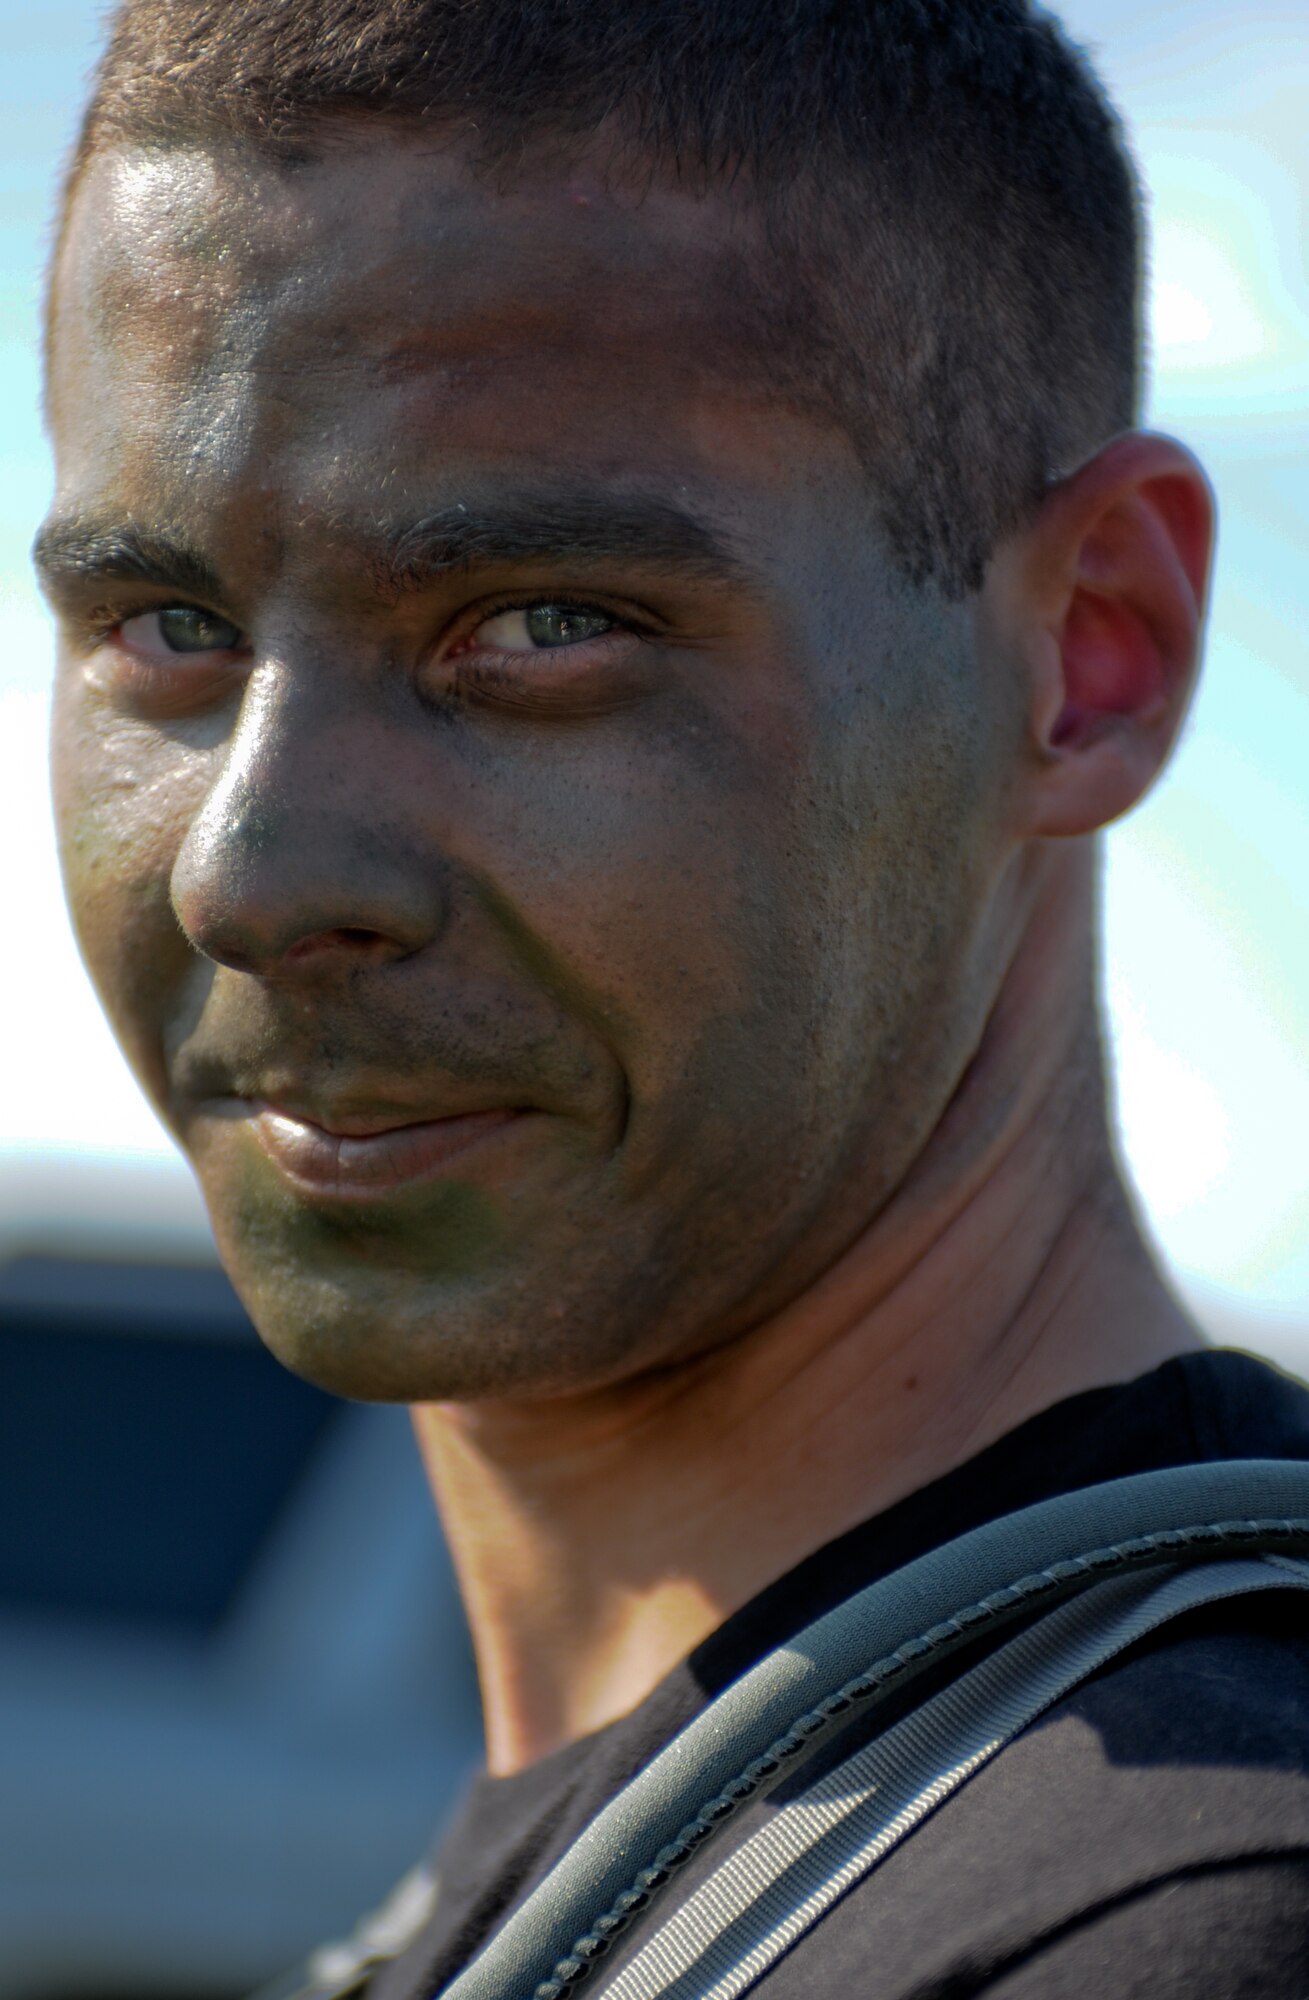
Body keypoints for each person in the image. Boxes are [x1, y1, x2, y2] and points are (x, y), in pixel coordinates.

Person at [34, 0, 1309, 1993]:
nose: (252, 870)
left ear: (1089, 654)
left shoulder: (1184, 1919)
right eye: (165, 626)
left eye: (540, 627)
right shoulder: (687, 1863)